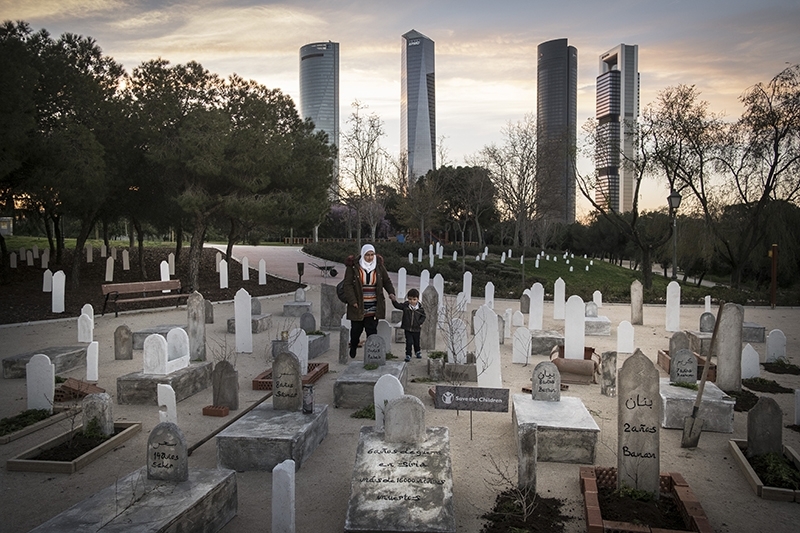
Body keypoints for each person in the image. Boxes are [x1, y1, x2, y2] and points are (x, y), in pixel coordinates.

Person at [342, 244, 396, 358]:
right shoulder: (353, 267)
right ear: (362, 254)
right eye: (367, 255)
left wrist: (391, 293)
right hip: (358, 304)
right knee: (356, 329)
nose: (370, 257)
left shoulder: (379, 266)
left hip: (374, 304)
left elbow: (386, 281)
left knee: (371, 330)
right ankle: (353, 346)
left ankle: (372, 355)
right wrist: (353, 301)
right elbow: (347, 285)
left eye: (372, 255)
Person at [392, 288, 426, 362]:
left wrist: (419, 322)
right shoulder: (405, 306)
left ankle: (417, 351)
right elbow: (397, 306)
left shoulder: (420, 309)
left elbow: (423, 316)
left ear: (417, 299)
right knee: (409, 342)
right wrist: (393, 300)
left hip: (416, 328)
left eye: (414, 299)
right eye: (410, 299)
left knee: (416, 341)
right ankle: (408, 354)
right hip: (407, 328)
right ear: (407, 298)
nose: (412, 301)